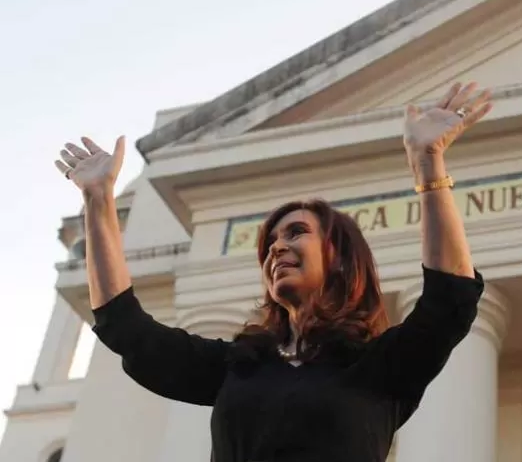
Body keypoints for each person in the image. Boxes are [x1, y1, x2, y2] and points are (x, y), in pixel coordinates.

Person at [54, 82, 494, 462]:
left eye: (296, 232)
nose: (278, 247)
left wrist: (429, 163)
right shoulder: (238, 366)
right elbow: (127, 327)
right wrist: (98, 199)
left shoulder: (380, 366)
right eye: (270, 244)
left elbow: (449, 298)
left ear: (339, 257)